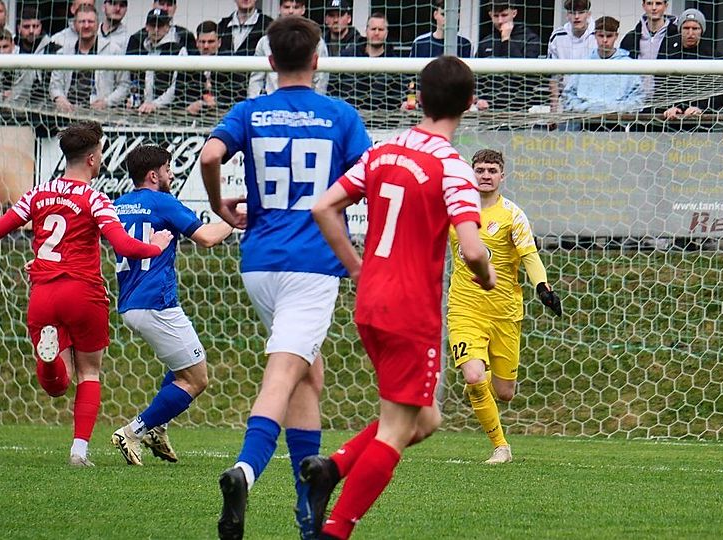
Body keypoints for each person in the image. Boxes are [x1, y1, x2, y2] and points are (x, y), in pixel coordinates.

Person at [303, 55, 496, 540]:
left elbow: (324, 207)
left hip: (371, 302)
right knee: (396, 429)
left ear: (419, 99)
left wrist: (356, 267)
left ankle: (333, 467)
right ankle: (335, 531)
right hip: (411, 310)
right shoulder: (452, 167)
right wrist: (488, 276)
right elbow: (473, 249)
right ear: (469, 104)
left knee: (424, 418)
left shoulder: (383, 152)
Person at [199, 15, 371, 540]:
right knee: (282, 373)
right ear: (317, 60)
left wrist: (219, 206)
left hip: (259, 263)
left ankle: (307, 508)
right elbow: (369, 178)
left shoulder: (249, 110)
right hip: (312, 264)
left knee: (307, 375)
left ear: (270, 61)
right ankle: (245, 471)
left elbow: (210, 154)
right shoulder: (339, 115)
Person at [0, 122, 173, 467]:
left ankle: (51, 359)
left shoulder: (38, 194)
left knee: (56, 385)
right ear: (93, 159)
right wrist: (155, 247)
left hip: (44, 292)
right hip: (83, 293)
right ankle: (79, 451)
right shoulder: (95, 199)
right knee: (89, 374)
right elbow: (124, 245)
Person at [110, 145, 233, 466]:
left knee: (182, 367)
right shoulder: (163, 202)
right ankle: (134, 431)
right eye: (168, 169)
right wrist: (236, 220)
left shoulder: (118, 206)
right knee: (196, 379)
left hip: (131, 303)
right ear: (154, 175)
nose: (172, 174)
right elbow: (207, 237)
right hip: (157, 303)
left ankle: (158, 428)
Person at [447, 149, 562, 465]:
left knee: (505, 392)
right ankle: (501, 447)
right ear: (472, 173)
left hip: (505, 312)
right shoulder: (455, 211)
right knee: (474, 376)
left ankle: (480, 389)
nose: (485, 175)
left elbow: (529, 256)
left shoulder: (513, 215)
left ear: (502, 176)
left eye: (492, 170)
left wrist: (542, 286)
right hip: (464, 308)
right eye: (480, 170)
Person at [49, 4, 130, 112]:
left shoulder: (114, 51)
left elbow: (124, 85)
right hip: (68, 114)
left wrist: (106, 102)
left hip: (102, 115)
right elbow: (55, 85)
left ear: (97, 24)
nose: (86, 26)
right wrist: (60, 98)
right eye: (82, 22)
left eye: (90, 22)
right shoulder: (63, 52)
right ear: (74, 25)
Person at [560, 17, 644, 116]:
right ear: (595, 35)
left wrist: (615, 109)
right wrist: (584, 108)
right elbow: (568, 95)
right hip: (584, 121)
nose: (604, 40)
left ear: (616, 36)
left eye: (609, 36)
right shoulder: (584, 64)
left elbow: (638, 99)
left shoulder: (628, 65)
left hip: (618, 122)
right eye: (601, 36)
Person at [248, 0, 330, 98]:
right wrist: (253, 102)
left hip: (307, 101)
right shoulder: (265, 41)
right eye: (286, 7)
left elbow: (321, 79)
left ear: (303, 9)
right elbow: (256, 79)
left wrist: (316, 103)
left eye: (296, 7)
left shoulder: (317, 41)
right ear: (280, 9)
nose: (291, 11)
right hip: (273, 101)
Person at [658, 9, 723, 122]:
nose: (690, 33)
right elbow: (659, 85)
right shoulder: (667, 54)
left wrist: (702, 108)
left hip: (702, 121)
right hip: (670, 119)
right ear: (680, 29)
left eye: (695, 28)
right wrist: (668, 107)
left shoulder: (713, 56)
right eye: (686, 28)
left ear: (701, 30)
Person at [476, 2, 542, 111]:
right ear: (490, 15)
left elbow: (526, 74)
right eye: (496, 16)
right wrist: (479, 98)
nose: (500, 21)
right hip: (489, 111)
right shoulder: (486, 42)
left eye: (504, 15)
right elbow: (478, 78)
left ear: (514, 13)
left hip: (519, 110)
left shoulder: (530, 39)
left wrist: (506, 39)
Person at [333, 13, 403, 111]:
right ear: (366, 31)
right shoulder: (348, 55)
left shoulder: (394, 63)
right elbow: (333, 88)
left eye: (380, 29)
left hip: (381, 118)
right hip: (348, 116)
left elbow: (397, 99)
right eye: (373, 29)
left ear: (386, 33)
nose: (376, 33)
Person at [125, 8, 187, 114]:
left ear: (167, 27)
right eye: (153, 25)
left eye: (160, 25)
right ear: (146, 27)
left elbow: (177, 86)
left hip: (169, 112)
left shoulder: (179, 51)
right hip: (143, 111)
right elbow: (135, 82)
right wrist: (134, 99)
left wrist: (155, 104)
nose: (156, 29)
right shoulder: (141, 48)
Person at [547, 0, 596, 111]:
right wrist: (553, 109)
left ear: (588, 14)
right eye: (572, 13)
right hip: (567, 102)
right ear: (567, 15)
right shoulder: (557, 36)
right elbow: (554, 77)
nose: (576, 17)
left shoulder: (599, 35)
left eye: (581, 12)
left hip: (594, 101)